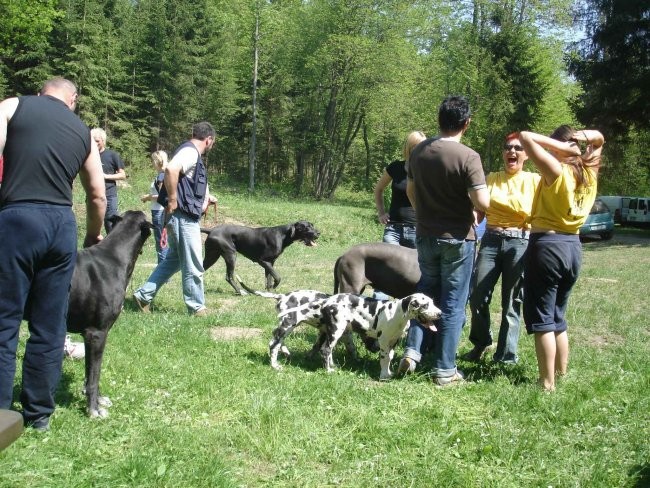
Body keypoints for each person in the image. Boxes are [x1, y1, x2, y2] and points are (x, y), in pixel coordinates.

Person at [0, 77, 106, 431]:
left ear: (41, 91)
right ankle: (38, 414)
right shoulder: (84, 133)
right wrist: (92, 234)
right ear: (72, 99)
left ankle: (1, 412)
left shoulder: (13, 107)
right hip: (60, 225)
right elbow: (97, 195)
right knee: (50, 323)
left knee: (6, 318)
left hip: (16, 218)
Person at [397, 95, 490, 385]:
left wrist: (425, 213)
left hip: (424, 235)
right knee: (451, 303)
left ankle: (412, 352)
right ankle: (445, 370)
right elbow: (481, 199)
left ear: (439, 120)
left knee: (425, 295)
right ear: (467, 123)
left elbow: (411, 192)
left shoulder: (419, 152)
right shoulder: (469, 157)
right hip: (458, 240)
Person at [519, 126, 604, 391]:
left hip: (547, 246)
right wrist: (579, 139)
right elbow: (600, 138)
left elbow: (525, 137)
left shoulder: (556, 171)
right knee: (558, 316)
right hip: (573, 247)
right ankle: (561, 373)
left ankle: (547, 383)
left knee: (543, 317)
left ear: (561, 148)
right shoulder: (589, 172)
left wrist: (562, 148)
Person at [463, 133, 541, 364]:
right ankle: (481, 342)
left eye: (518, 148)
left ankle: (506, 356)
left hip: (520, 241)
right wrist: (473, 217)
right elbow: (480, 208)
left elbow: (535, 210)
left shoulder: (534, 180)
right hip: (491, 239)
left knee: (512, 301)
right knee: (477, 295)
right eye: (508, 147)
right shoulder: (491, 178)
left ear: (526, 154)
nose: (512, 152)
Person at [132, 122, 216, 316]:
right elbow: (171, 169)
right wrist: (173, 199)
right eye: (212, 142)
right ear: (209, 139)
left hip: (180, 216)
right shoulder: (190, 152)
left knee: (175, 260)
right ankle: (196, 307)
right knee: (193, 262)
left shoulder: (189, 152)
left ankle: (143, 295)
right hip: (183, 218)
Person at [372, 130, 426, 300]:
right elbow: (378, 189)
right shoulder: (395, 167)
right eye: (416, 146)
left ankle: (410, 316)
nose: (419, 150)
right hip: (393, 229)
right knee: (385, 274)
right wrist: (381, 212)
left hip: (417, 230)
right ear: (408, 147)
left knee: (415, 276)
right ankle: (378, 316)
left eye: (423, 146)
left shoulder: (428, 170)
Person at [91, 127, 126, 234]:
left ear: (103, 141)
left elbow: (122, 175)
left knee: (111, 226)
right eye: (93, 141)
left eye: (97, 141)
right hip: (92, 196)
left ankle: (114, 248)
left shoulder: (112, 155)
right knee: (92, 227)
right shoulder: (89, 156)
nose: (95, 143)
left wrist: (105, 176)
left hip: (110, 196)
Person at [141, 150, 169, 263]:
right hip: (159, 211)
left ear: (157, 161)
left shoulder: (162, 176)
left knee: (161, 241)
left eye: (153, 160)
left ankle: (162, 269)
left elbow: (163, 196)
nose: (152, 163)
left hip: (160, 211)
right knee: (163, 240)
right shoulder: (162, 174)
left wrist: (147, 197)